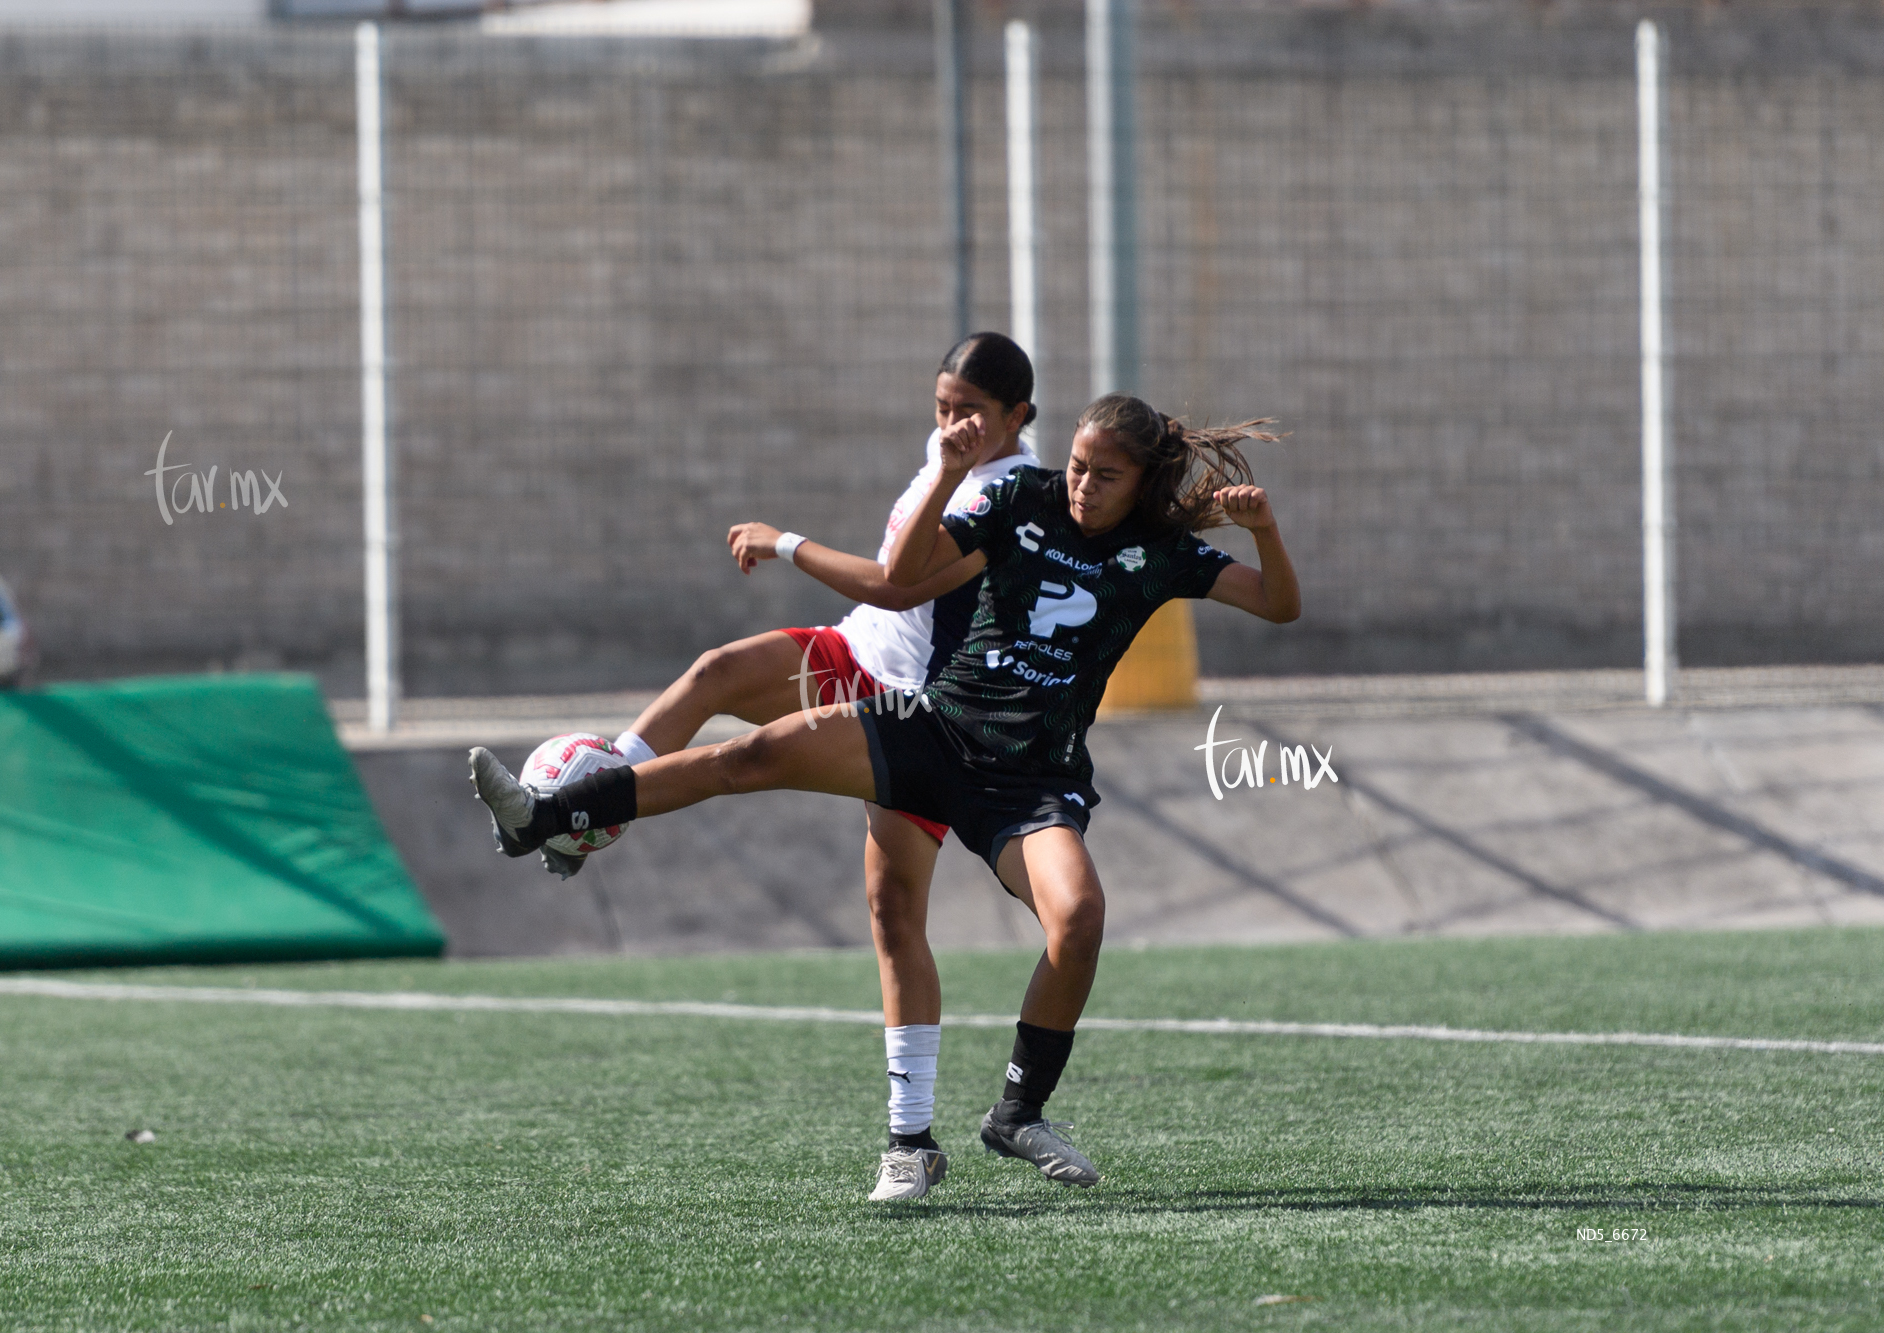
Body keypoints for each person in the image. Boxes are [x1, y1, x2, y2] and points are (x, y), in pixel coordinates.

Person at [471, 393, 1299, 1189]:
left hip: (1031, 781)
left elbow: (1278, 607)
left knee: (1078, 917)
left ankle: (1017, 1112)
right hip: (932, 727)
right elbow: (904, 577)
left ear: (1144, 483)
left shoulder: (1163, 550)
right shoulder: (1021, 495)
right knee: (751, 756)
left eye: (1103, 476)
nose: (1080, 485)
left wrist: (1265, 531)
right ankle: (542, 817)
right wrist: (946, 472)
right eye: (1078, 465)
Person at [499, 334, 1040, 1202]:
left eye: (971, 411)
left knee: (892, 907)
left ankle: (911, 1141)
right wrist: (943, 456)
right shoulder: (956, 453)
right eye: (941, 405)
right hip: (848, 651)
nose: (951, 424)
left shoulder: (1014, 488)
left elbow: (900, 581)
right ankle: (577, 804)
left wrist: (786, 541)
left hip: (912, 712)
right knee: (716, 671)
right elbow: (888, 603)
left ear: (1021, 417)